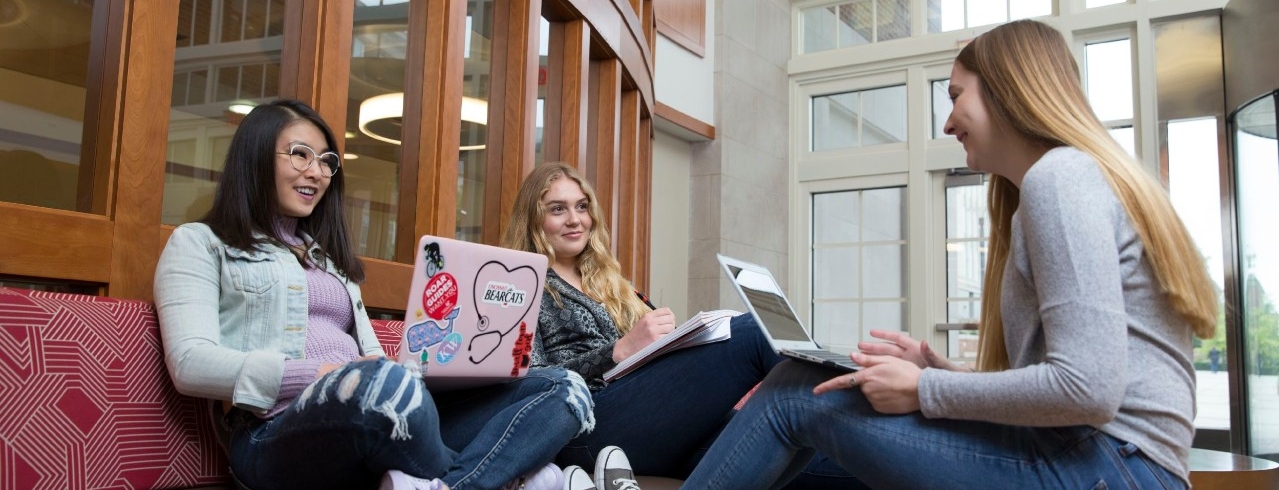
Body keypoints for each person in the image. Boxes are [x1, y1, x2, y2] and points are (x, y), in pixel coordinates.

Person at [680, 19, 1219, 490]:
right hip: (1111, 465)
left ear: (1006, 90)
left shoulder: (1061, 179)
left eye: (955, 95)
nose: (947, 121)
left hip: (1105, 467)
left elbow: (1087, 390)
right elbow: (1080, 384)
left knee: (794, 393)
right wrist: (942, 373)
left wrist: (926, 388)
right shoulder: (1065, 182)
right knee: (817, 433)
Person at [153, 99, 592, 490]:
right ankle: (515, 477)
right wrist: (326, 373)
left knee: (562, 388)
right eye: (300, 155)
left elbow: (375, 365)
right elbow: (191, 364)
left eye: (326, 161)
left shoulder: (331, 262)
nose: (316, 172)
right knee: (383, 385)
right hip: (273, 431)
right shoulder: (200, 243)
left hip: (379, 411)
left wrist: (434, 366)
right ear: (254, 157)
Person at [500, 162, 854, 488]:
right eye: (557, 209)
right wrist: (618, 351)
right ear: (532, 218)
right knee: (752, 331)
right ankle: (863, 390)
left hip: (657, 426)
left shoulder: (610, 283)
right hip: (588, 429)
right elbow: (526, 382)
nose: (575, 219)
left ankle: (888, 436)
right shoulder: (521, 283)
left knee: (820, 447)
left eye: (582, 206)